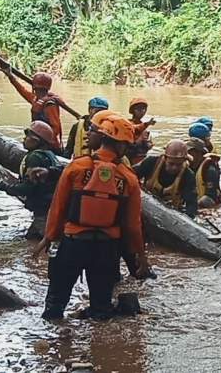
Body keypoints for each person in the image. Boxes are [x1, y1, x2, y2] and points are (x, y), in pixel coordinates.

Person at [34, 115, 150, 320]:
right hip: (106, 249)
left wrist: (48, 237)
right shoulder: (128, 178)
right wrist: (141, 256)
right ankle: (100, 348)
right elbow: (133, 225)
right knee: (101, 310)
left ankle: (52, 344)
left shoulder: (76, 167)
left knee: (54, 305)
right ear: (123, 146)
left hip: (73, 243)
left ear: (103, 137)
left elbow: (58, 206)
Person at [0, 121, 60, 239]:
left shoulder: (34, 158)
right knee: (31, 239)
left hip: (43, 206)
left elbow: (29, 187)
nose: (24, 139)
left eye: (27, 137)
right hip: (49, 204)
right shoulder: (49, 154)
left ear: (36, 141)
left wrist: (7, 188)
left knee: (46, 239)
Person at [133, 140, 197, 218]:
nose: (174, 168)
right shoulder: (151, 163)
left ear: (184, 161)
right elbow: (132, 178)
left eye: (179, 164)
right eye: (171, 164)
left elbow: (191, 203)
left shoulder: (188, 176)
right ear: (165, 158)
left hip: (170, 214)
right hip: (146, 206)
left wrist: (189, 216)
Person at [3, 70, 64, 151]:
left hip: (48, 145)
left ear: (34, 87)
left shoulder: (50, 105)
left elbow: (56, 128)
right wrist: (11, 77)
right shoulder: (35, 99)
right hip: (38, 141)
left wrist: (41, 140)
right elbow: (22, 91)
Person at [187, 137, 221, 208]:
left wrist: (192, 206)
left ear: (198, 152)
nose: (187, 154)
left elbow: (210, 197)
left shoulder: (210, 170)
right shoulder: (189, 167)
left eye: (189, 151)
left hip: (210, 207)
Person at [127, 98, 156, 165]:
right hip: (131, 159)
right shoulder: (128, 124)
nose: (142, 111)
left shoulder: (143, 127)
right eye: (138, 109)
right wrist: (140, 139)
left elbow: (145, 146)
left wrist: (148, 144)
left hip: (141, 158)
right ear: (133, 110)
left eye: (143, 109)